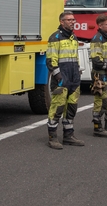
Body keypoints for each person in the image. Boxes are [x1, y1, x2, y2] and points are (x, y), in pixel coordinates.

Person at [45, 11, 84, 149]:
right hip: (61, 79)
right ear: (62, 22)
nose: (73, 22)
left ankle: (68, 136)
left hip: (74, 78)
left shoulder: (73, 37)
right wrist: (58, 76)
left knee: (71, 108)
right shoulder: (55, 37)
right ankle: (52, 137)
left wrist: (78, 72)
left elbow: (75, 58)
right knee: (57, 108)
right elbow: (51, 60)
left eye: (73, 19)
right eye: (69, 20)